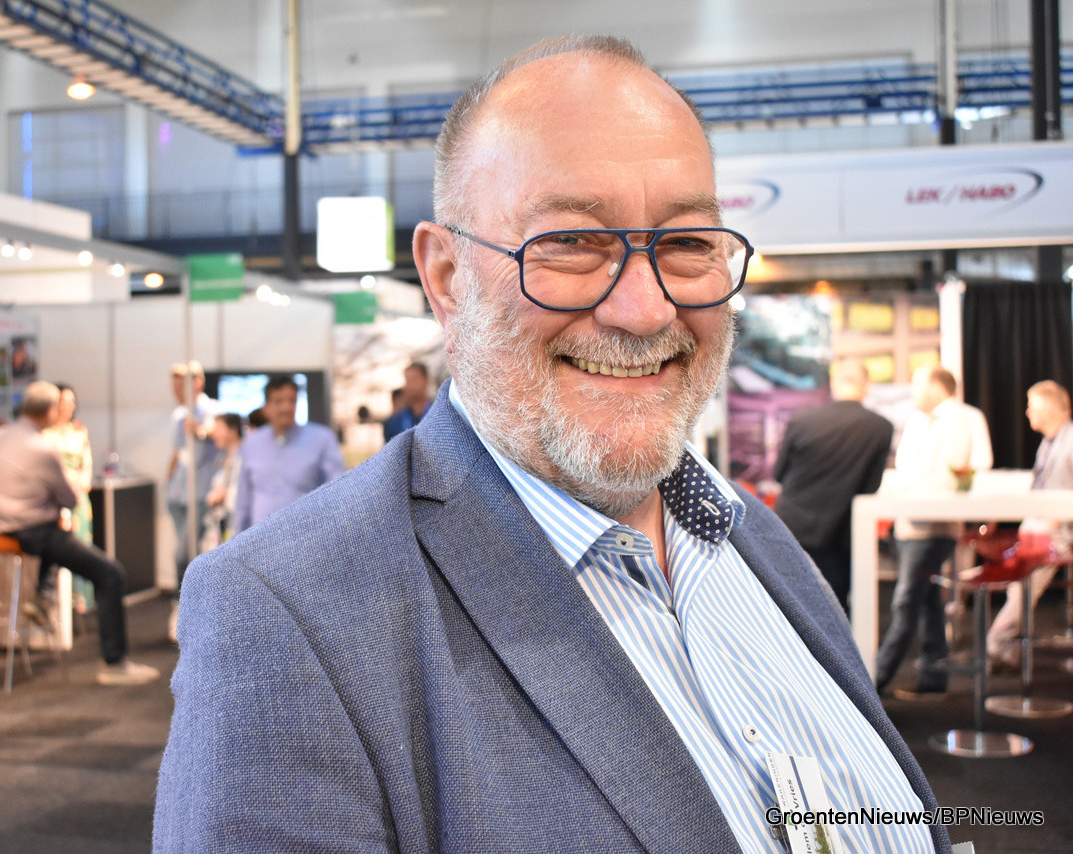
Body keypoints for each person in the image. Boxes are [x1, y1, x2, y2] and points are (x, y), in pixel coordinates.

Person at [156, 37, 949, 853]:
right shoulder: (289, 617)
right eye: (571, 242)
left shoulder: (751, 535)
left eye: (686, 244)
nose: (645, 310)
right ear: (447, 277)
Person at [0, 382, 158, 686]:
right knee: (110, 573)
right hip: (30, 533)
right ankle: (114, 663)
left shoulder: (0, 435)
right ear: (51, 411)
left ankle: (42, 594)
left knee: (59, 533)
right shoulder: (43, 448)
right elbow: (70, 498)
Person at [874, 364, 992, 698]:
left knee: (906, 602)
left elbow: (947, 479)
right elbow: (907, 470)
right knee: (927, 602)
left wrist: (907, 489)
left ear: (937, 387)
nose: (911, 391)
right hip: (909, 524)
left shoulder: (957, 421)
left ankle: (874, 681)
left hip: (933, 527)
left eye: (917, 384)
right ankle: (933, 675)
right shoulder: (918, 420)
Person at [774, 358, 893, 613]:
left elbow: (778, 475)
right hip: (839, 535)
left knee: (787, 605)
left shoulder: (802, 420)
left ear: (834, 384)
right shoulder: (881, 428)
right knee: (833, 610)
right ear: (867, 386)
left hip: (791, 527)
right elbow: (870, 488)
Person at [986, 380, 1073, 666]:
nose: (1027, 412)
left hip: (1057, 535)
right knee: (1018, 585)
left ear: (1048, 408)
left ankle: (997, 644)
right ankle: (1004, 647)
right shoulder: (1050, 443)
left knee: (1022, 586)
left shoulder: (1069, 442)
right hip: (1041, 530)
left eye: (1031, 406)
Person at [230, 374, 346, 535]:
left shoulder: (321, 439)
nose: (286, 408)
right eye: (278, 401)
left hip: (306, 537)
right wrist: (238, 538)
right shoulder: (251, 444)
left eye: (292, 400)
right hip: (261, 539)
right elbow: (243, 499)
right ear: (266, 407)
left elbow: (338, 489)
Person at [165, 361, 222, 640]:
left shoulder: (212, 409)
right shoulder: (178, 414)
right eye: (174, 384)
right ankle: (188, 609)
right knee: (184, 552)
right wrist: (168, 481)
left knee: (184, 555)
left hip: (201, 493)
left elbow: (216, 432)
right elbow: (177, 452)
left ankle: (183, 607)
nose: (176, 390)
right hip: (178, 494)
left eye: (182, 384)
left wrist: (199, 430)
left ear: (197, 382)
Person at [44, 382, 96, 616]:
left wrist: (82, 482)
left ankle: (81, 601)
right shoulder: (46, 433)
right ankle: (56, 604)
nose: (68, 407)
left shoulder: (78, 430)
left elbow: (87, 462)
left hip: (78, 497)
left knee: (82, 547)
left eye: (71, 402)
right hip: (55, 497)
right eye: (63, 402)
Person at [199, 413, 244, 552]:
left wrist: (225, 495)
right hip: (222, 524)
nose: (214, 434)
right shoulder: (222, 457)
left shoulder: (244, 457)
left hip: (238, 526)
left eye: (219, 429)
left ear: (233, 430)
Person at [382, 362, 432, 441]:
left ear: (426, 381)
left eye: (414, 379)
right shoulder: (396, 421)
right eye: (407, 380)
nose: (410, 385)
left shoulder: (440, 415)